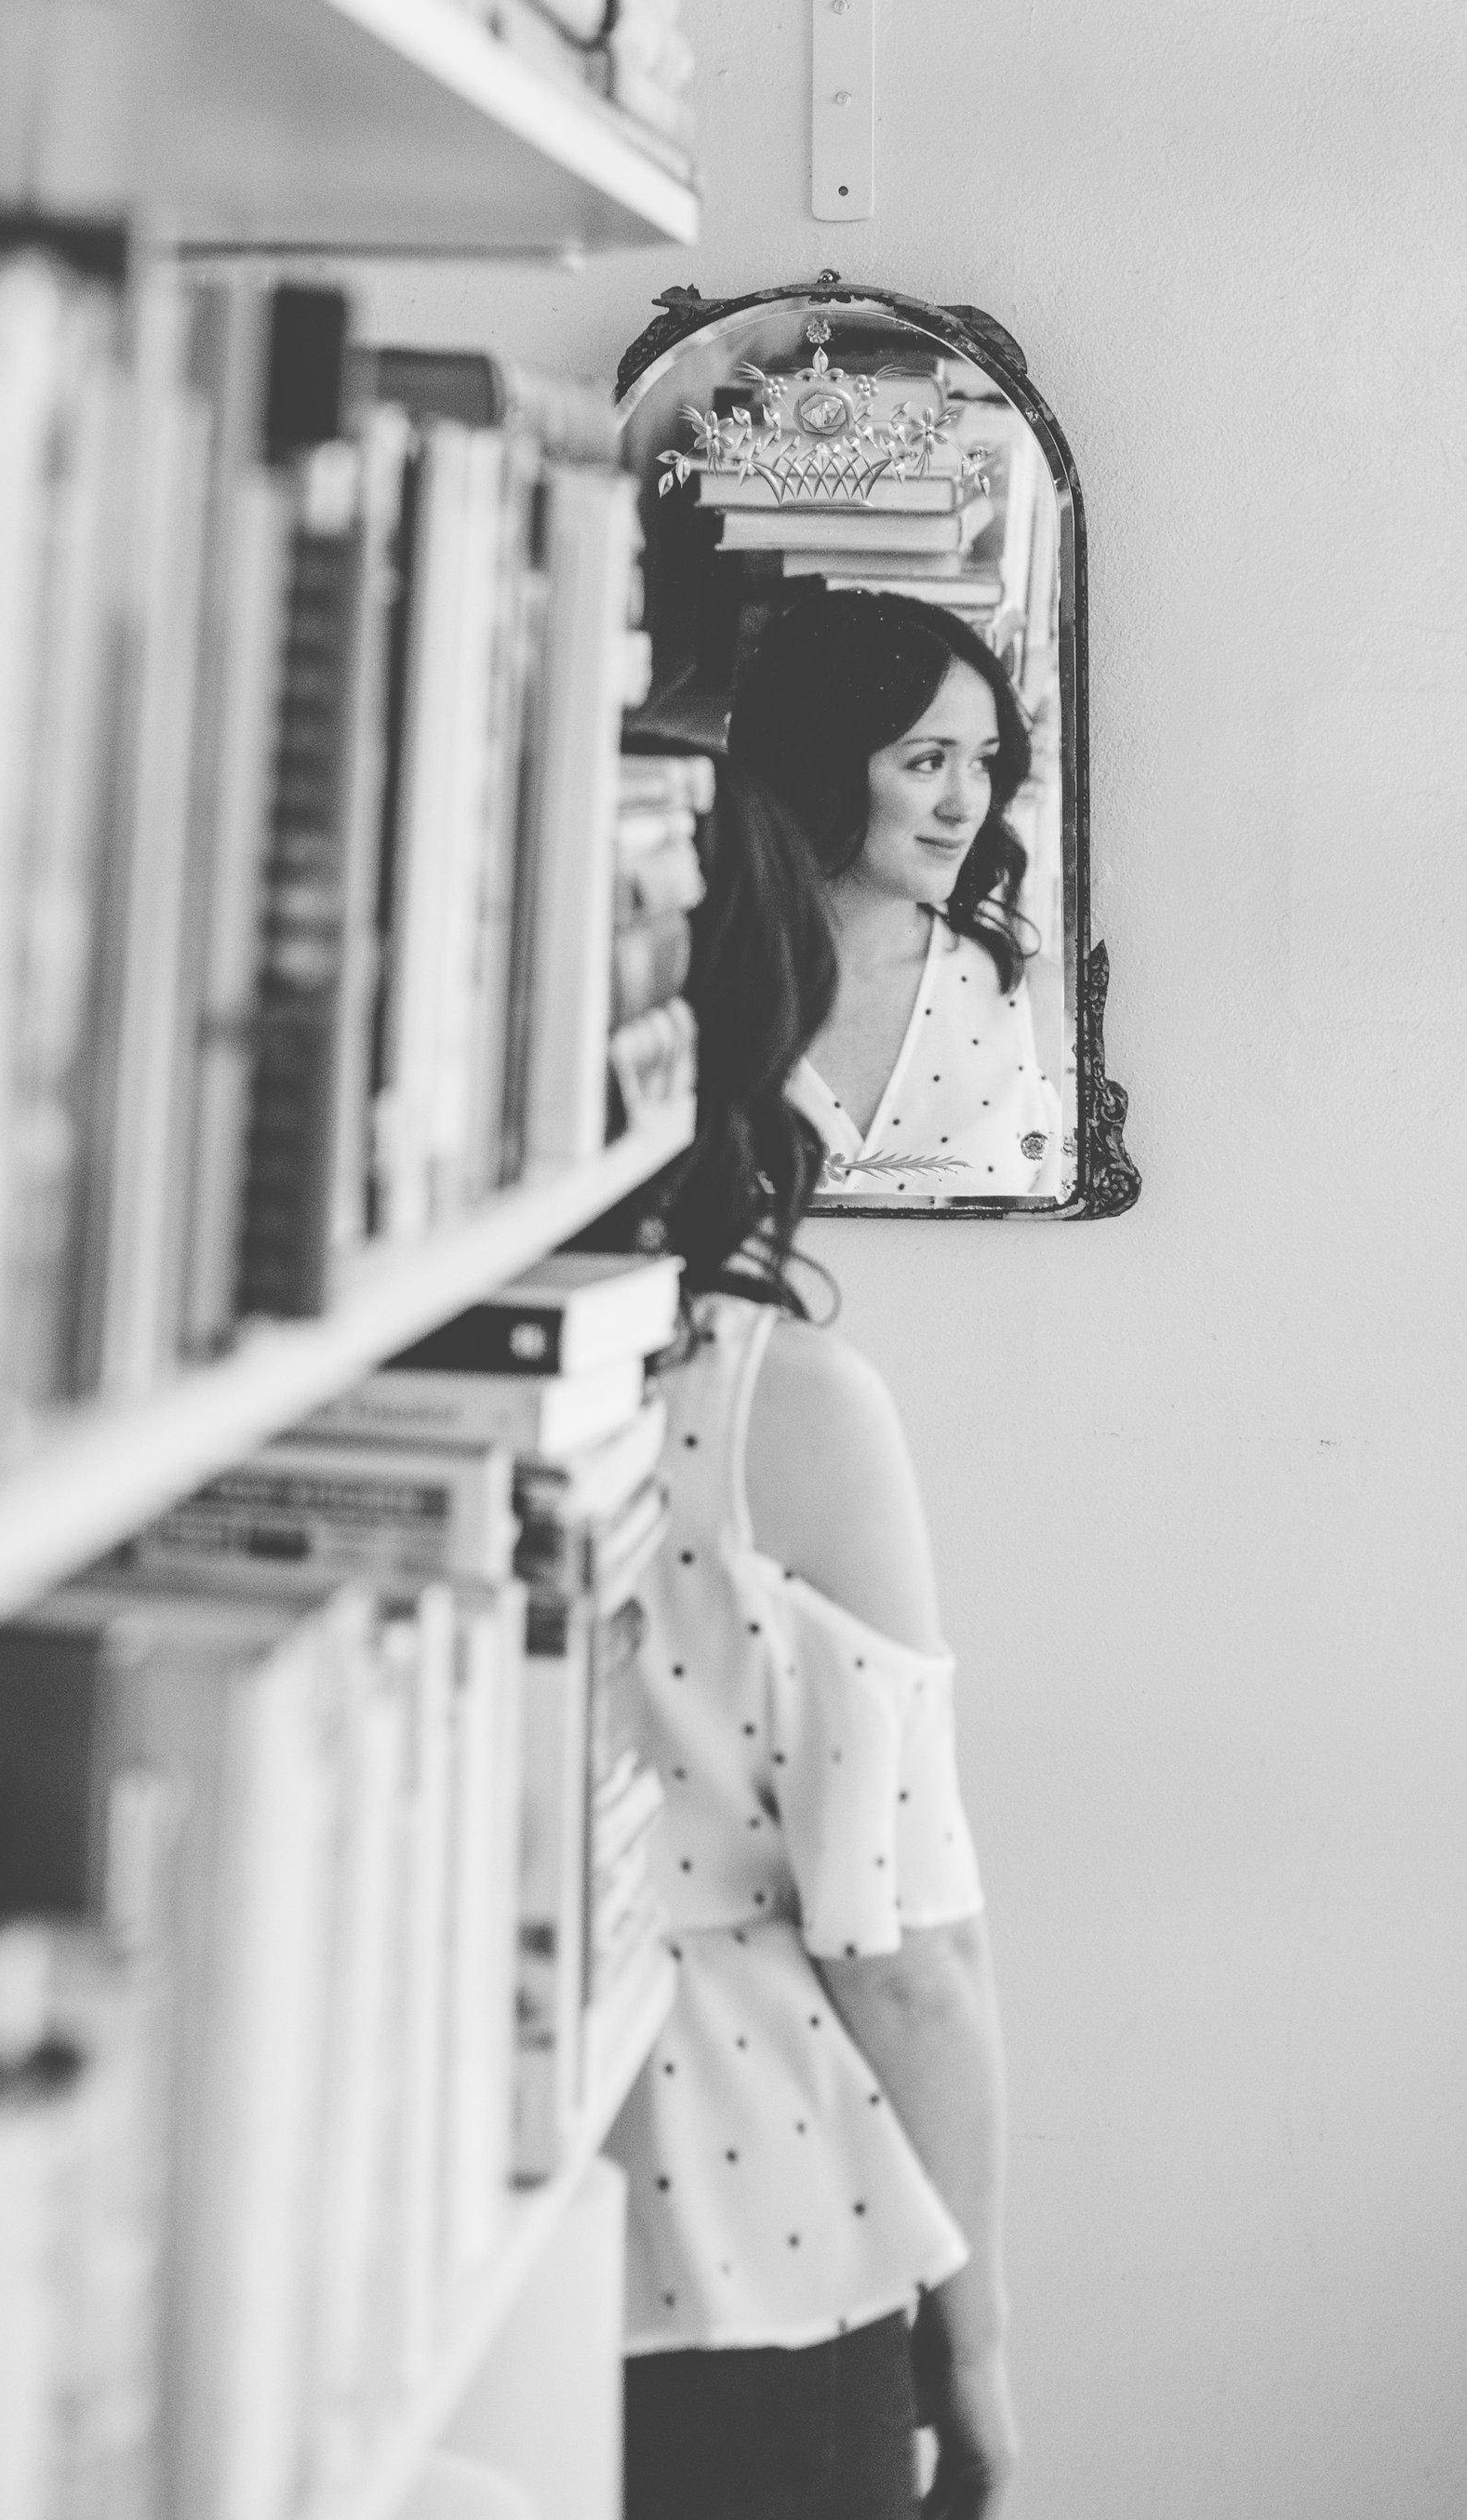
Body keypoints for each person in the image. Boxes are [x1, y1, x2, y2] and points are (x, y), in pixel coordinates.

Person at [598, 758, 1019, 2520]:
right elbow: (910, 1957)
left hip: (431, 2232)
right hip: (750, 2244)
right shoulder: (780, 1401)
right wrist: (976, 2342)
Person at [727, 592, 1060, 1203]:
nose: (966, 806)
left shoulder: (1027, 998)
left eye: (982, 763)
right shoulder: (700, 989)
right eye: (929, 761)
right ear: (824, 768)